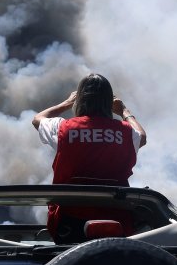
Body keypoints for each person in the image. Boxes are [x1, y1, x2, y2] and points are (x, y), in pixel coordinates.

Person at [32, 73, 147, 243]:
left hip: (69, 222)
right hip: (117, 223)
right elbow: (142, 136)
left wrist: (67, 102)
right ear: (109, 103)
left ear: (80, 101)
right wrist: (124, 111)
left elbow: (38, 119)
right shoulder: (126, 133)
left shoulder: (63, 128)